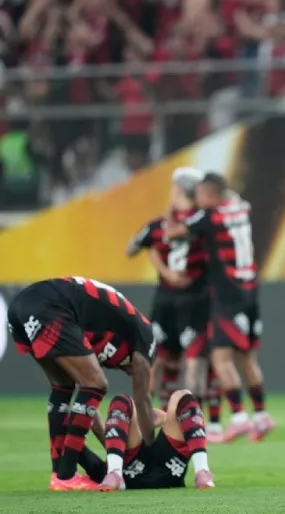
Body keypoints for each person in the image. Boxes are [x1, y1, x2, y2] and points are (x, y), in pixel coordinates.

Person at [7, 276, 155, 491]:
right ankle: (66, 474)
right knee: (96, 384)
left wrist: (115, 452)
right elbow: (142, 400)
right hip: (50, 305)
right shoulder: (146, 336)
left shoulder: (103, 334)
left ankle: (60, 475)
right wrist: (149, 455)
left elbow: (87, 412)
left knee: (63, 385)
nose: (131, 372)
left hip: (22, 306)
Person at [165, 173, 273, 442]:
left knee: (220, 358)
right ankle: (261, 416)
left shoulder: (209, 217)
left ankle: (238, 419)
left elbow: (173, 233)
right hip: (249, 291)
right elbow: (232, 197)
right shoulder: (240, 206)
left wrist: (172, 205)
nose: (197, 201)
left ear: (211, 196)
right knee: (246, 357)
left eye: (200, 195)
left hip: (227, 294)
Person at [126, 167, 224, 442]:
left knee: (156, 362)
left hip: (170, 300)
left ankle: (149, 420)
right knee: (194, 363)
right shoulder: (204, 221)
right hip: (195, 300)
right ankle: (197, 424)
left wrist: (164, 270)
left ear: (176, 189)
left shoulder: (160, 225)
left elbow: (133, 248)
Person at [98, 389, 215, 491]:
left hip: (132, 473)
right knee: (184, 396)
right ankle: (202, 471)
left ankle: (114, 473)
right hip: (171, 472)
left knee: (183, 396)